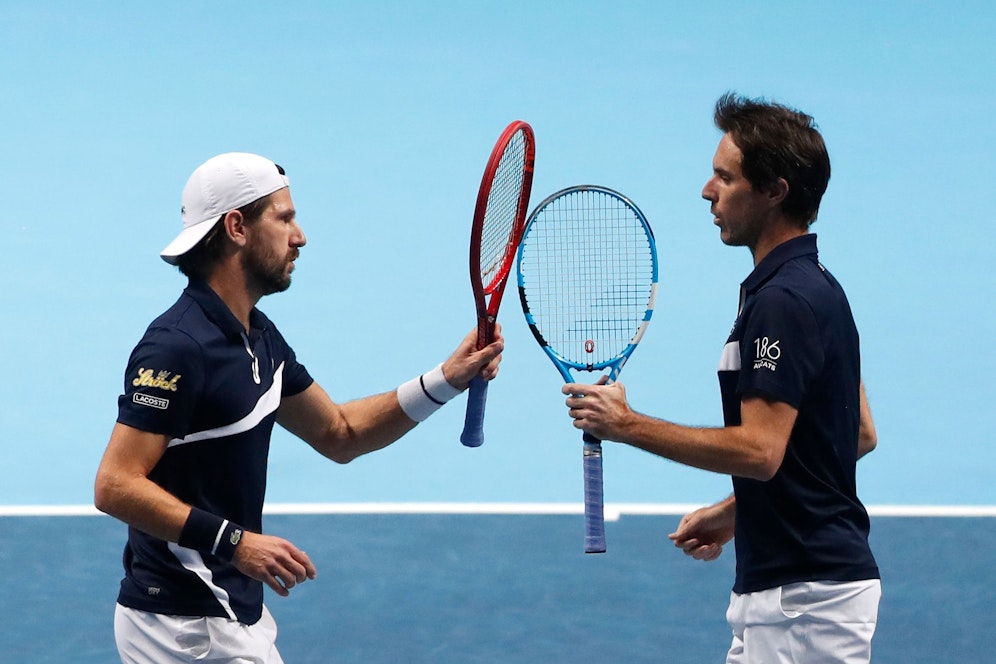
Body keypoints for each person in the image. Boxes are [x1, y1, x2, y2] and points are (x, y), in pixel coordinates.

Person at [94, 152, 503, 663]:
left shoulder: (258, 336)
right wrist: (237, 542)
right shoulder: (178, 348)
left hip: (228, 612)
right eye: (284, 218)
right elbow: (115, 485)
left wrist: (447, 378)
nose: (300, 236)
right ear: (237, 227)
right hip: (186, 628)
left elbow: (340, 432)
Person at [562, 93, 881, 663]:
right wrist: (738, 510)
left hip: (801, 606)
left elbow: (761, 451)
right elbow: (855, 435)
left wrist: (627, 424)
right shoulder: (818, 288)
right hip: (798, 596)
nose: (707, 191)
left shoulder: (783, 302)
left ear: (774, 191)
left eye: (724, 177)